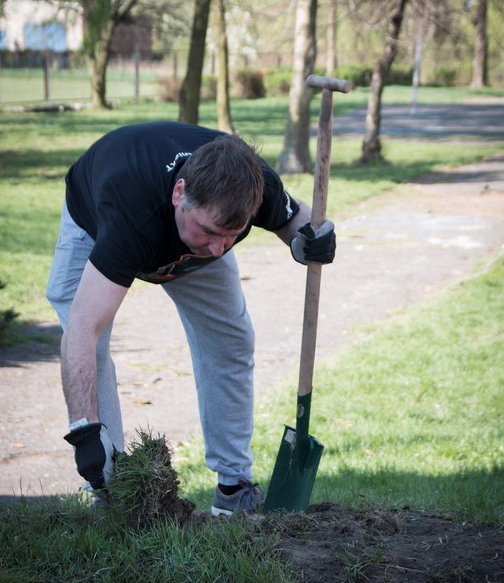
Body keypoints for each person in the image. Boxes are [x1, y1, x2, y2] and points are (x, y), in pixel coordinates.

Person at [46, 121, 335, 516]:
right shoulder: (130, 215)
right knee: (88, 344)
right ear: (179, 193)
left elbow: (293, 217)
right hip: (96, 224)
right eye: (210, 231)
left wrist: (309, 239)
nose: (219, 250)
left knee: (231, 342)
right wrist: (83, 431)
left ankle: (234, 487)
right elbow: (83, 328)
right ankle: (111, 492)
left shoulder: (253, 185)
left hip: (175, 237)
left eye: (232, 235)